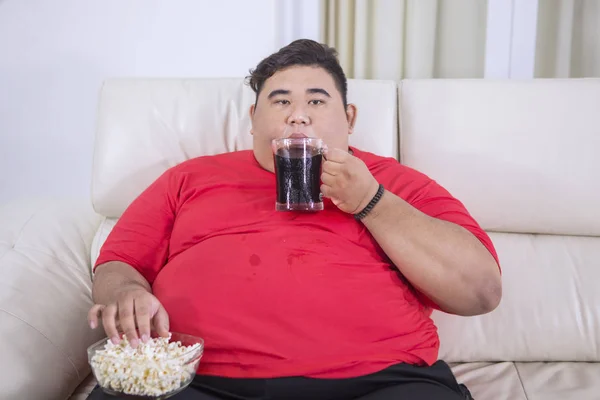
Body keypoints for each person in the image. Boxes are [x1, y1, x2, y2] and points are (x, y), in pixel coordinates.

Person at [87, 39, 501, 400]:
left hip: (381, 381)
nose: (297, 116)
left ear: (350, 118)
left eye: (317, 101)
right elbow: (118, 264)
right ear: (252, 119)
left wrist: (371, 202)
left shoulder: (394, 183)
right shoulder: (190, 178)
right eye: (281, 100)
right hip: (197, 380)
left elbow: (480, 292)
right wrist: (124, 292)